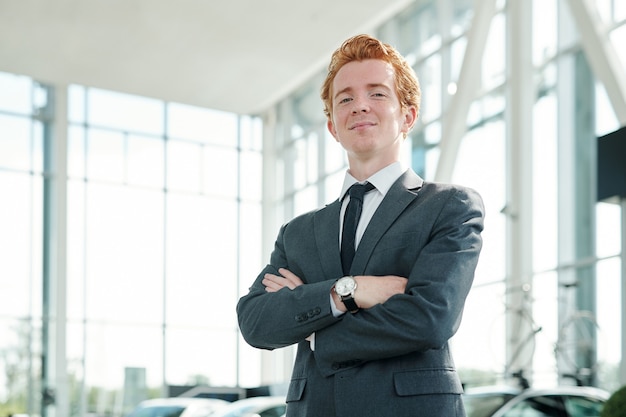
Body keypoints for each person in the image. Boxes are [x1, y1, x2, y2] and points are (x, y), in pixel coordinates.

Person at [236, 34, 485, 417]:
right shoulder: (298, 233)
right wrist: (346, 292)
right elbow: (255, 321)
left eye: (378, 94)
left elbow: (430, 319)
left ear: (408, 115)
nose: (360, 106)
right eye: (345, 98)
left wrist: (314, 327)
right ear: (333, 126)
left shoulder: (449, 206)